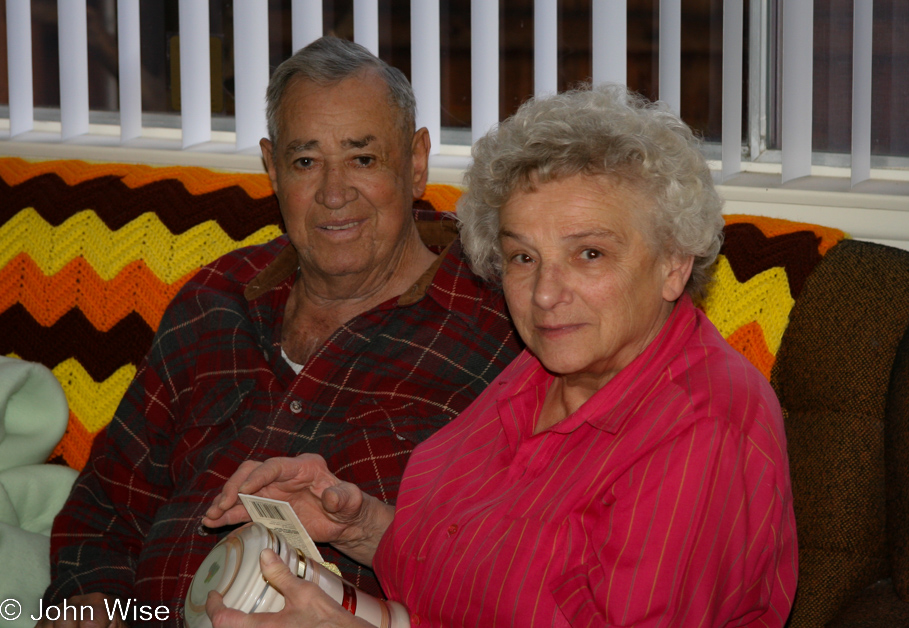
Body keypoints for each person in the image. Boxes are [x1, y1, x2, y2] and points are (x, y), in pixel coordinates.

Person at [203, 84, 799, 627]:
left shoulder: (702, 428)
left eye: (589, 254)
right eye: (522, 257)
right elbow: (484, 582)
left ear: (674, 262)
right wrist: (361, 528)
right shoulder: (543, 371)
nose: (544, 294)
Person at [39, 37, 521, 628]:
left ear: (416, 162)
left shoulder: (503, 324)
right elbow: (105, 511)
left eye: (363, 159)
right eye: (305, 161)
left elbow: (512, 566)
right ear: (271, 167)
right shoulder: (215, 301)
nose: (334, 193)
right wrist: (94, 610)